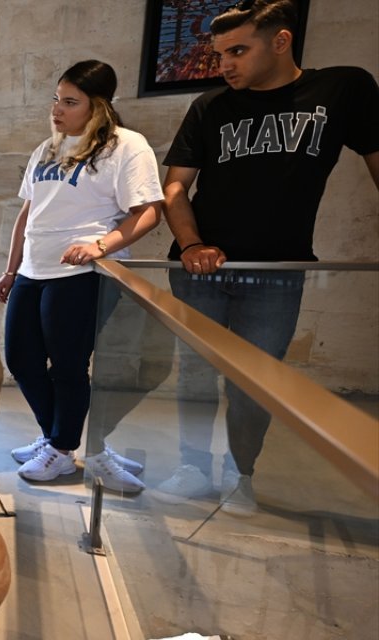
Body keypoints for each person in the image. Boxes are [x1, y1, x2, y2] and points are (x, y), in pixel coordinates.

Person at [153, 0, 379, 515]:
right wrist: (190, 245)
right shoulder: (210, 106)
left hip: (278, 269)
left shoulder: (341, 88)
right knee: (195, 371)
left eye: (237, 51)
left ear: (281, 41)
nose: (224, 64)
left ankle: (241, 474)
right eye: (218, 54)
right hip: (199, 269)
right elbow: (175, 189)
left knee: (256, 380)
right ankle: (192, 465)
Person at [0, 60, 163, 490]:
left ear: (98, 106)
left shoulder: (126, 146)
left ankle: (63, 451)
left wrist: (100, 246)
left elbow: (148, 213)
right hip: (33, 271)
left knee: (67, 366)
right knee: (21, 360)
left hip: (82, 274)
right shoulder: (46, 149)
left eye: (70, 102)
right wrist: (11, 269)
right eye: (56, 99)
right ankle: (59, 438)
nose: (57, 109)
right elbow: (27, 214)